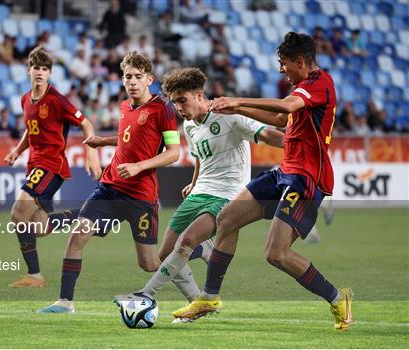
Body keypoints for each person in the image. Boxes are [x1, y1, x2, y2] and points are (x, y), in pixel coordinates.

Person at [173, 32, 353, 331]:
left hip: (307, 178)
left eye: (284, 64)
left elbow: (286, 108)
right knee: (226, 218)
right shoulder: (303, 90)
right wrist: (236, 109)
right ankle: (209, 297)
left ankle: (338, 297)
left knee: (275, 254)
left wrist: (238, 99)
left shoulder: (319, 83)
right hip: (285, 170)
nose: (281, 70)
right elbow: (283, 120)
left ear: (300, 61)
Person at [115, 67, 285, 308]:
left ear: (199, 94)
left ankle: (147, 293)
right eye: (174, 103)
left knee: (186, 240)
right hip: (200, 191)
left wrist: (299, 148)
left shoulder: (228, 114)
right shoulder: (190, 125)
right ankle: (199, 295)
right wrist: (194, 182)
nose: (179, 108)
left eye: (182, 101)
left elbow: (268, 135)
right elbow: (198, 155)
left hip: (228, 194)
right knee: (164, 254)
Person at [38, 52, 181, 313]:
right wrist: (103, 141)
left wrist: (139, 166)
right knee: (78, 235)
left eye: (138, 77)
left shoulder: (163, 109)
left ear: (149, 79)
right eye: (128, 77)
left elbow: (174, 153)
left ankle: (193, 250)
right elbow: (127, 139)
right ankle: (64, 302)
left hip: (141, 196)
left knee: (149, 263)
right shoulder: (125, 107)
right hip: (110, 188)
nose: (133, 82)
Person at [4, 46, 101, 288]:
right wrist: (17, 150)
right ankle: (89, 215)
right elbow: (31, 129)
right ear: (29, 71)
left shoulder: (57, 100)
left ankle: (34, 276)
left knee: (18, 212)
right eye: (36, 67)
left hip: (51, 164)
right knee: (39, 227)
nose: (40, 72)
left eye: (45, 69)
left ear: (49, 73)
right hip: (34, 164)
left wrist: (90, 152)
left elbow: (86, 124)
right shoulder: (25, 99)